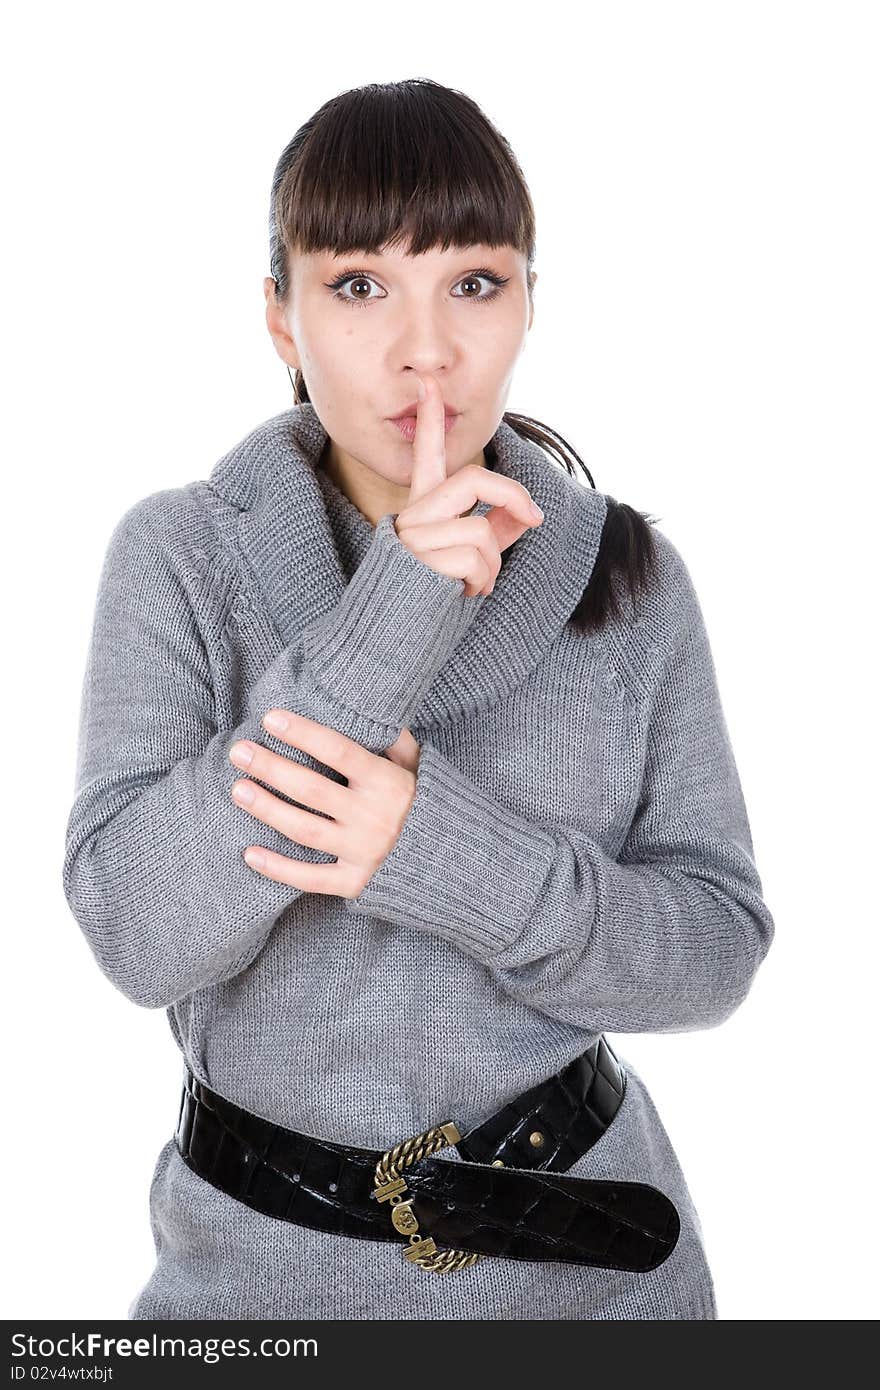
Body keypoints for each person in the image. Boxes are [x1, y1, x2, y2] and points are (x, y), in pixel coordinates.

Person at [62, 78, 775, 1320]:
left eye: (474, 284)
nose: (425, 349)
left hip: (594, 1276)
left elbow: (713, 953)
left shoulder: (629, 577)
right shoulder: (180, 555)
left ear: (527, 306)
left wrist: (435, 852)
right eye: (355, 287)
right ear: (279, 317)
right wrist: (391, 611)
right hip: (253, 1292)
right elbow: (136, 928)